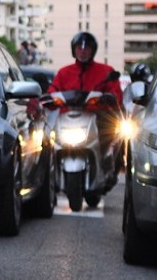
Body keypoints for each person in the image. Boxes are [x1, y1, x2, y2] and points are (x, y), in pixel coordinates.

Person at [48, 31, 124, 176]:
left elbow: (116, 94)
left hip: (96, 117)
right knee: (47, 141)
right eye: (79, 48)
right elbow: (53, 89)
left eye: (87, 48)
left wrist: (110, 97)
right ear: (73, 50)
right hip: (68, 118)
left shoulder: (105, 71)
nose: (83, 52)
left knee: (114, 135)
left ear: (93, 51)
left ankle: (107, 164)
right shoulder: (64, 72)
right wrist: (48, 97)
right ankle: (51, 171)